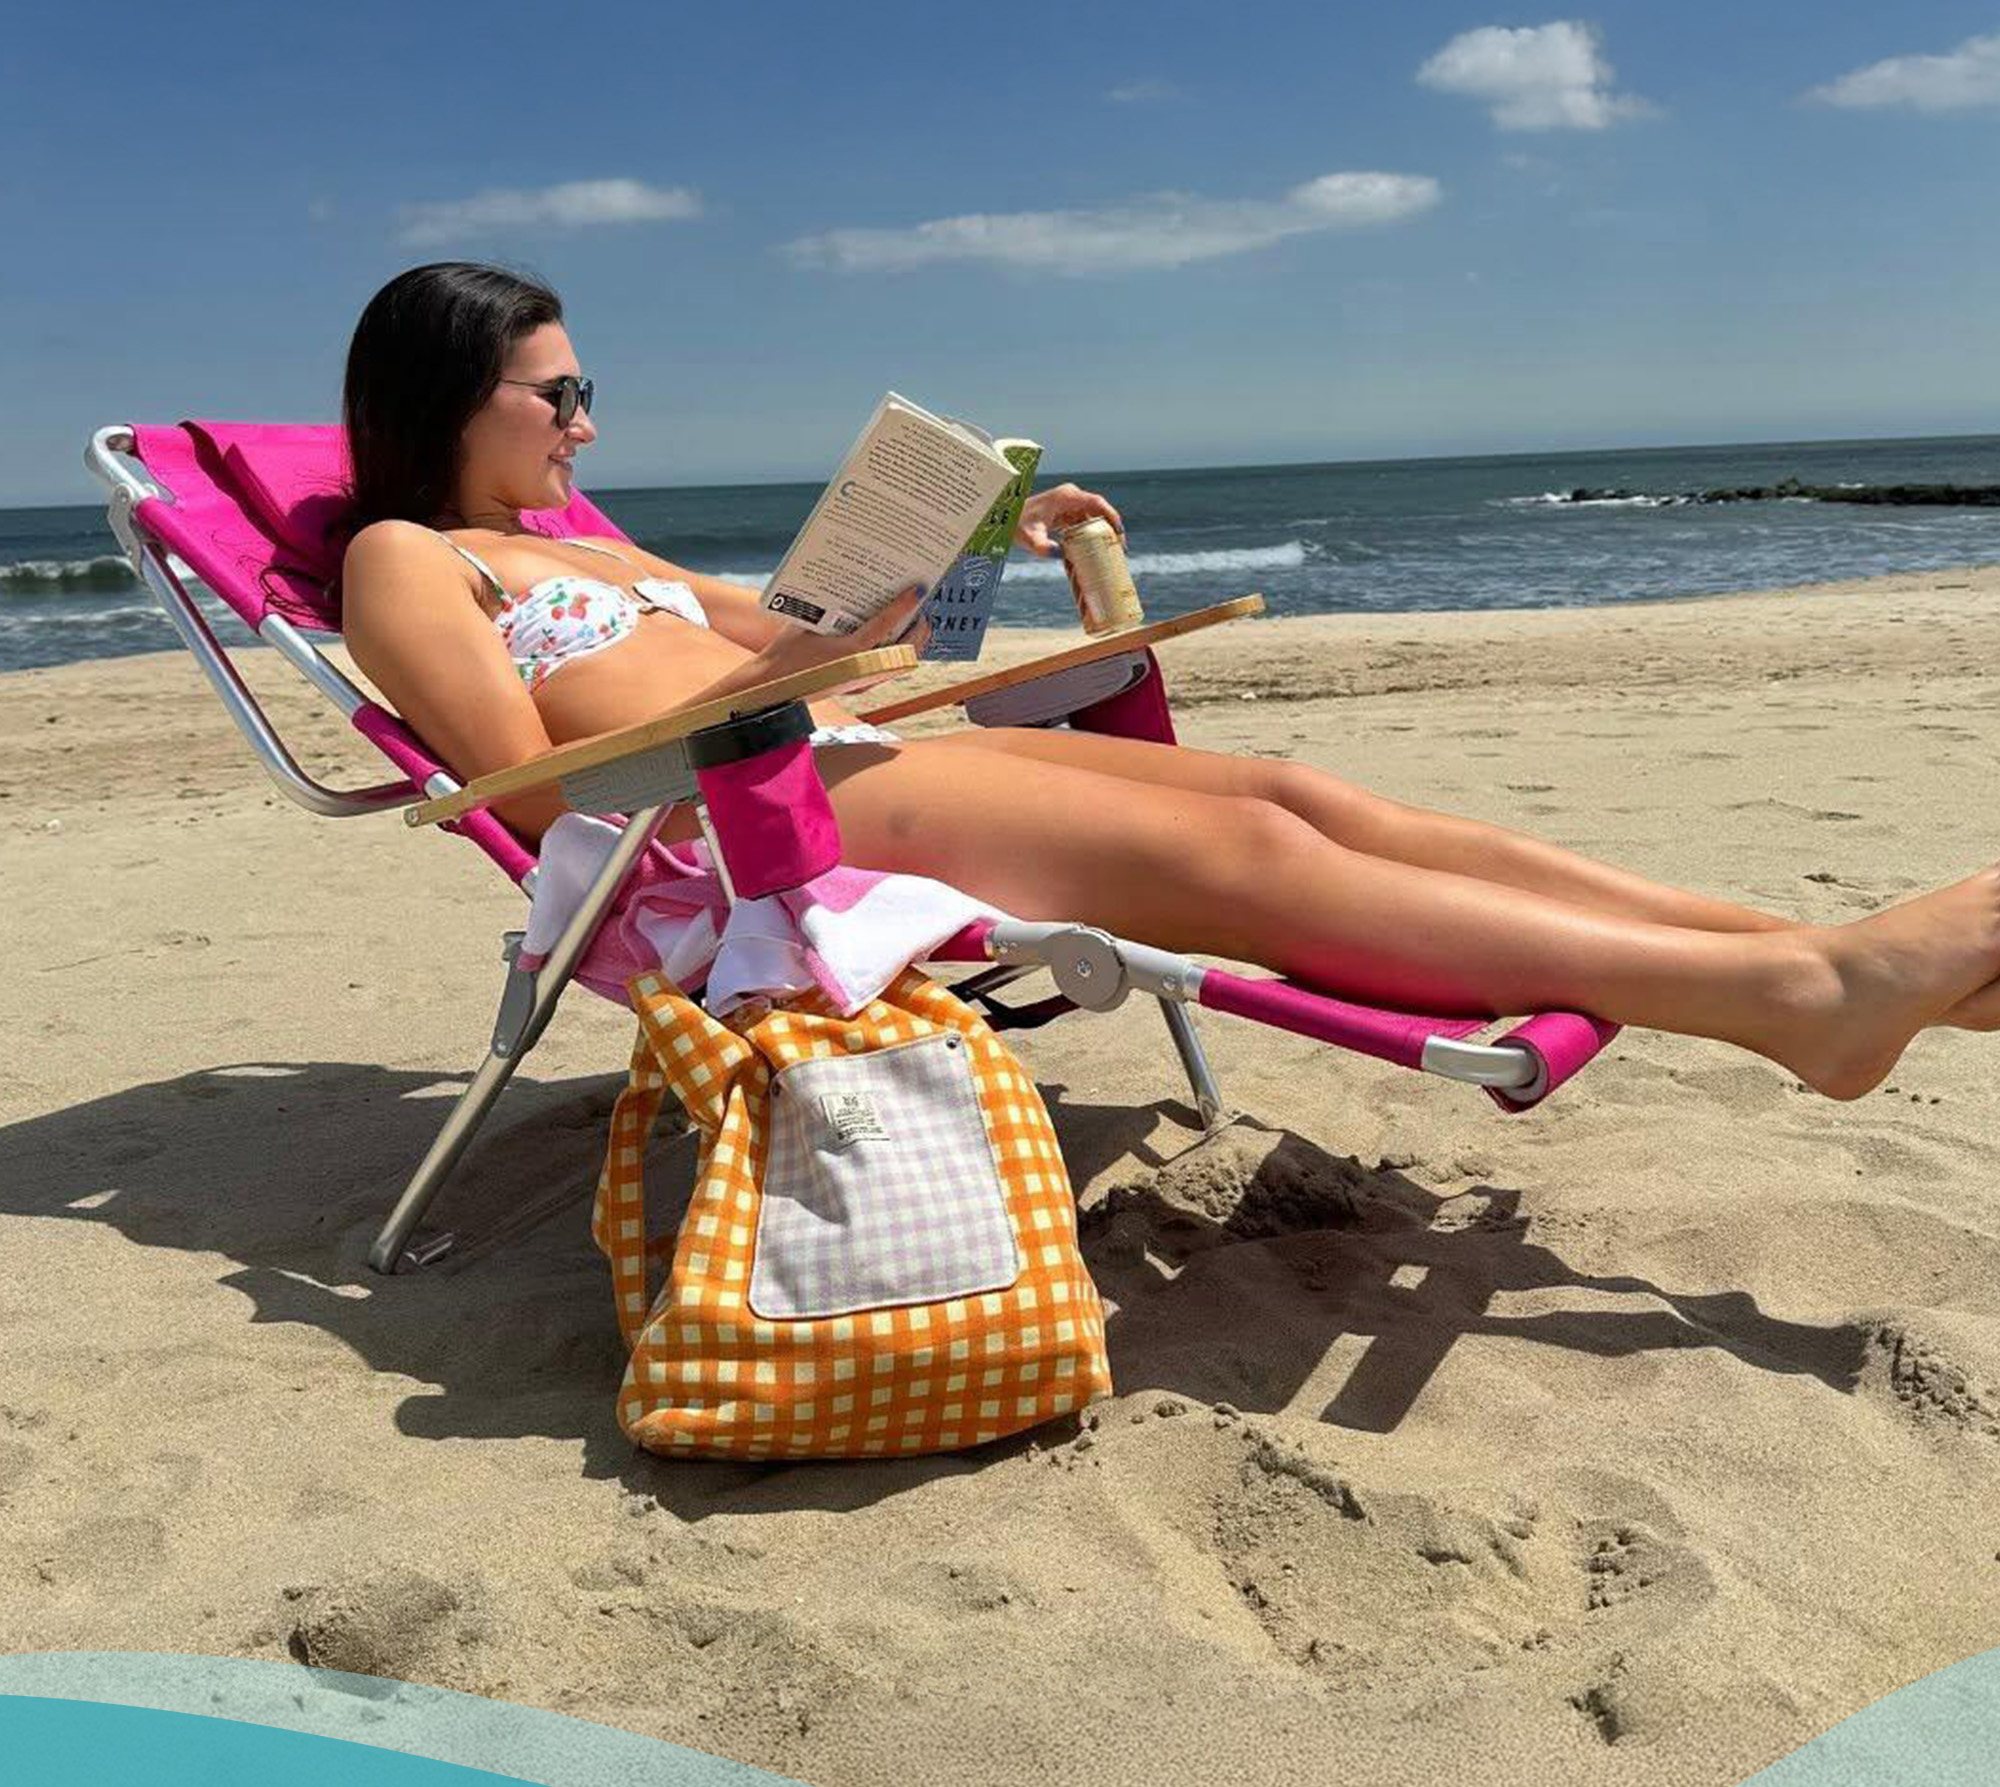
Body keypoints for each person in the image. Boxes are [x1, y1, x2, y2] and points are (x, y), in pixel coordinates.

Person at [338, 263, 2000, 1102]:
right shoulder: (409, 560)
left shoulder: (591, 547)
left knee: (1298, 794)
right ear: (450, 397)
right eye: (558, 396)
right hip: (742, 826)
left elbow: (812, 627)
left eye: (586, 394)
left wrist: (974, 534)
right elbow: (535, 802)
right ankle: (1807, 1002)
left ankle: (1804, 955)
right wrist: (799, 667)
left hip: (838, 747)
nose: (589, 425)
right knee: (1253, 861)